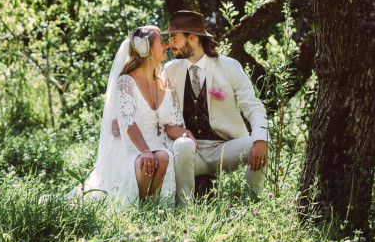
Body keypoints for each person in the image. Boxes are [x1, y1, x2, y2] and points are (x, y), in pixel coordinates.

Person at [163, 11, 269, 205]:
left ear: (192, 37)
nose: (170, 44)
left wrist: (260, 139)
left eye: (174, 38)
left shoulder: (229, 66)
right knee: (183, 145)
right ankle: (184, 210)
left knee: (263, 142)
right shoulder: (170, 70)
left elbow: (253, 107)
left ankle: (249, 205)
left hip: (224, 149)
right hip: (191, 153)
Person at [83, 25, 196, 204]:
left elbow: (169, 125)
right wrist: (145, 151)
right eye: (161, 42)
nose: (166, 45)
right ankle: (138, 208)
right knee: (145, 163)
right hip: (133, 147)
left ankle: (151, 207)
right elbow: (130, 125)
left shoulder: (163, 82)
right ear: (147, 50)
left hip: (158, 144)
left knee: (164, 157)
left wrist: (185, 133)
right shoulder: (126, 82)